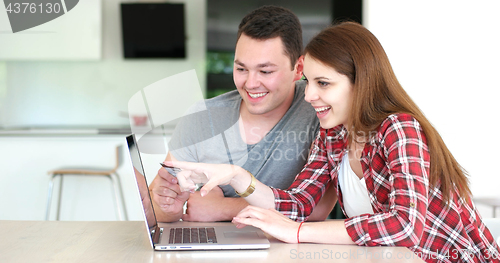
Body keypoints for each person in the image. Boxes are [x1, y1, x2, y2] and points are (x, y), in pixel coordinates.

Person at [166, 22, 500, 262]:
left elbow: (404, 227)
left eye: (324, 83)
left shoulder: (399, 128)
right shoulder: (335, 135)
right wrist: (238, 177)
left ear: (361, 82)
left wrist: (297, 233)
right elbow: (298, 205)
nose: (309, 95)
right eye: (309, 81)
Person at [148, 5, 332, 223]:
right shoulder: (201, 117)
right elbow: (157, 208)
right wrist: (169, 207)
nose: (250, 84)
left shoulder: (319, 107)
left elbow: (318, 207)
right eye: (241, 69)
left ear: (299, 68)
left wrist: (223, 208)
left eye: (265, 71)